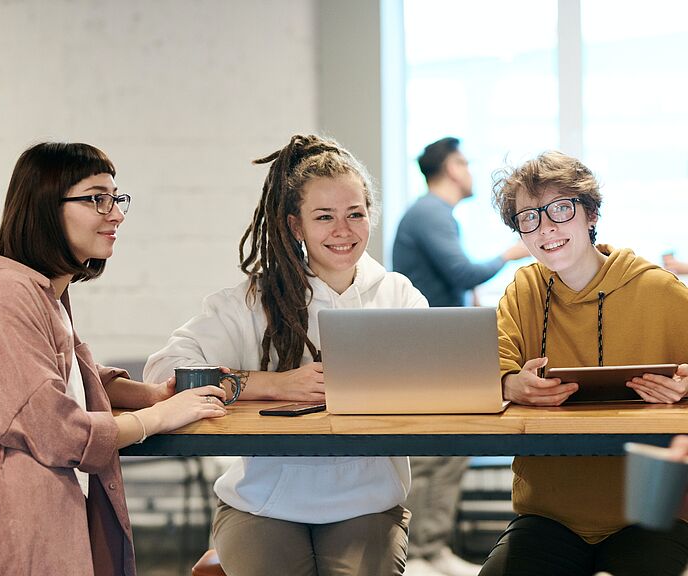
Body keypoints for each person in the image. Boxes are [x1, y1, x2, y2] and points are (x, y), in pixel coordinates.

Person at [0, 142, 228, 576]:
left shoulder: (45, 294)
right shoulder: (6, 296)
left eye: (115, 198)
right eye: (97, 198)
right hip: (15, 538)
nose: (116, 214)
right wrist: (159, 416)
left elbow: (67, 374)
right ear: (47, 208)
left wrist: (148, 394)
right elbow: (57, 429)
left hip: (42, 525)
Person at [144, 134, 427, 576]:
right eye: (324, 217)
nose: (343, 230)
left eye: (356, 214)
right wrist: (274, 384)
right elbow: (165, 370)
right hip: (261, 504)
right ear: (296, 226)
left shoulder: (398, 295)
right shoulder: (254, 300)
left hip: (368, 503)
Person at [479, 150, 688, 576]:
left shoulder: (659, 290)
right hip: (549, 512)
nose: (546, 227)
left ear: (590, 214)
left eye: (559, 209)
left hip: (654, 510)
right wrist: (507, 383)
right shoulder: (523, 289)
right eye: (529, 217)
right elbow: (487, 367)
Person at [393, 137, 529, 576]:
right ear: (451, 168)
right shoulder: (431, 212)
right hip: (427, 352)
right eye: (466, 162)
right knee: (432, 454)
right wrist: (512, 252)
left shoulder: (434, 214)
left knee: (450, 450)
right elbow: (460, 271)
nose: (470, 170)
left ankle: (430, 548)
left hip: (437, 350)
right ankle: (417, 552)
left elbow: (453, 282)